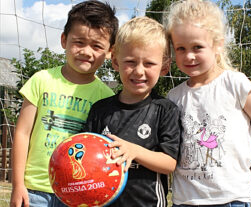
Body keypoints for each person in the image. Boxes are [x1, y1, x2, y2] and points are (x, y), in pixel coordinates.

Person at [163, 0, 251, 206]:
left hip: (231, 198)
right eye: (181, 48)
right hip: (186, 200)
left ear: (218, 44)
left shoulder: (234, 83)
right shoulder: (173, 96)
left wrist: (239, 162)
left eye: (197, 47)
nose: (189, 55)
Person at [10, 1, 118, 207]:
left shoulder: (106, 96)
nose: (87, 51)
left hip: (77, 192)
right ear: (64, 40)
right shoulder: (41, 80)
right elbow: (22, 133)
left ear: (110, 51)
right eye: (79, 42)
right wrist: (17, 185)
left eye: (96, 46)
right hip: (34, 191)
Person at [84, 16, 181, 207]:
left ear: (164, 67)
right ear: (115, 61)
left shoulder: (165, 110)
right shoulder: (100, 110)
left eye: (149, 64)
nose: (138, 71)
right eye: (130, 61)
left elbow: (169, 163)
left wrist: (134, 151)